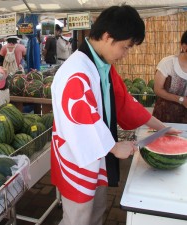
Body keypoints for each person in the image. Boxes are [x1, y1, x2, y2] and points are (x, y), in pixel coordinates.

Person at [50, 5, 181, 225]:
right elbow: (79, 117)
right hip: (77, 160)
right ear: (108, 37)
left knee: (98, 210)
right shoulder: (75, 70)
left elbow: (125, 103)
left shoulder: (103, 66)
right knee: (78, 218)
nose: (126, 54)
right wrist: (112, 147)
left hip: (97, 154)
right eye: (125, 47)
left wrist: (161, 127)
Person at [152, 30, 187, 123]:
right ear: (184, 47)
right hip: (164, 117)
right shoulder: (168, 63)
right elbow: (157, 89)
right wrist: (181, 100)